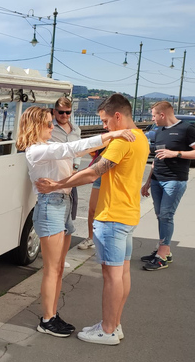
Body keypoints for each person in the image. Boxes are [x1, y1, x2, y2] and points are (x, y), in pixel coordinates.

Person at [36, 93, 149, 345]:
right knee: (123, 273)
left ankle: (107, 330)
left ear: (118, 117)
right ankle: (115, 324)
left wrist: (57, 184)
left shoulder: (121, 141)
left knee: (111, 276)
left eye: (106, 121)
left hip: (112, 216)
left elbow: (92, 174)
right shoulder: (141, 138)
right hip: (129, 214)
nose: (105, 126)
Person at [17, 106, 135, 338]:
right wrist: (111, 135)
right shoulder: (35, 150)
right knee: (52, 269)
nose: (53, 127)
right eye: (49, 124)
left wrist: (109, 140)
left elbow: (76, 152)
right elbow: (71, 147)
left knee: (60, 268)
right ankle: (47, 319)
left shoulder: (49, 147)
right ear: (35, 126)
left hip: (64, 203)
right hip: (50, 206)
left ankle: (52, 314)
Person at [139, 101, 195, 270]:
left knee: (166, 215)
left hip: (174, 180)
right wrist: (147, 181)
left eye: (154, 115)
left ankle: (162, 255)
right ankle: (164, 250)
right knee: (160, 215)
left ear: (162, 115)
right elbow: (157, 158)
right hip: (157, 180)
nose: (152, 118)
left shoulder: (187, 129)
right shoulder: (159, 131)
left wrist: (175, 153)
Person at [49, 97, 82, 265]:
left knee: (69, 218)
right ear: (54, 111)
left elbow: (79, 151)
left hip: (70, 178)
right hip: (54, 178)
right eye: (61, 112)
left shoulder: (76, 130)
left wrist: (76, 167)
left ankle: (61, 258)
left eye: (68, 112)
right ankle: (54, 258)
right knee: (55, 220)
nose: (64, 115)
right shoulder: (49, 128)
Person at [78, 149, 103, 250]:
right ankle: (90, 238)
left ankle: (102, 240)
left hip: (113, 179)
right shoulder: (107, 137)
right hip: (99, 176)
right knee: (92, 209)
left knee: (106, 211)